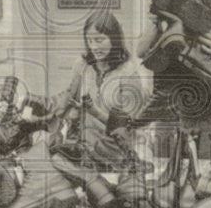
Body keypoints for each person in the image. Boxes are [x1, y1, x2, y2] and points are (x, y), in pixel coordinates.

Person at [56, 11, 151, 141]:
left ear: (114, 38)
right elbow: (67, 101)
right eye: (89, 41)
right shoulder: (82, 65)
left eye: (99, 40)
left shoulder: (128, 73)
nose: (94, 47)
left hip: (116, 151)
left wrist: (95, 112)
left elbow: (129, 128)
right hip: (85, 147)